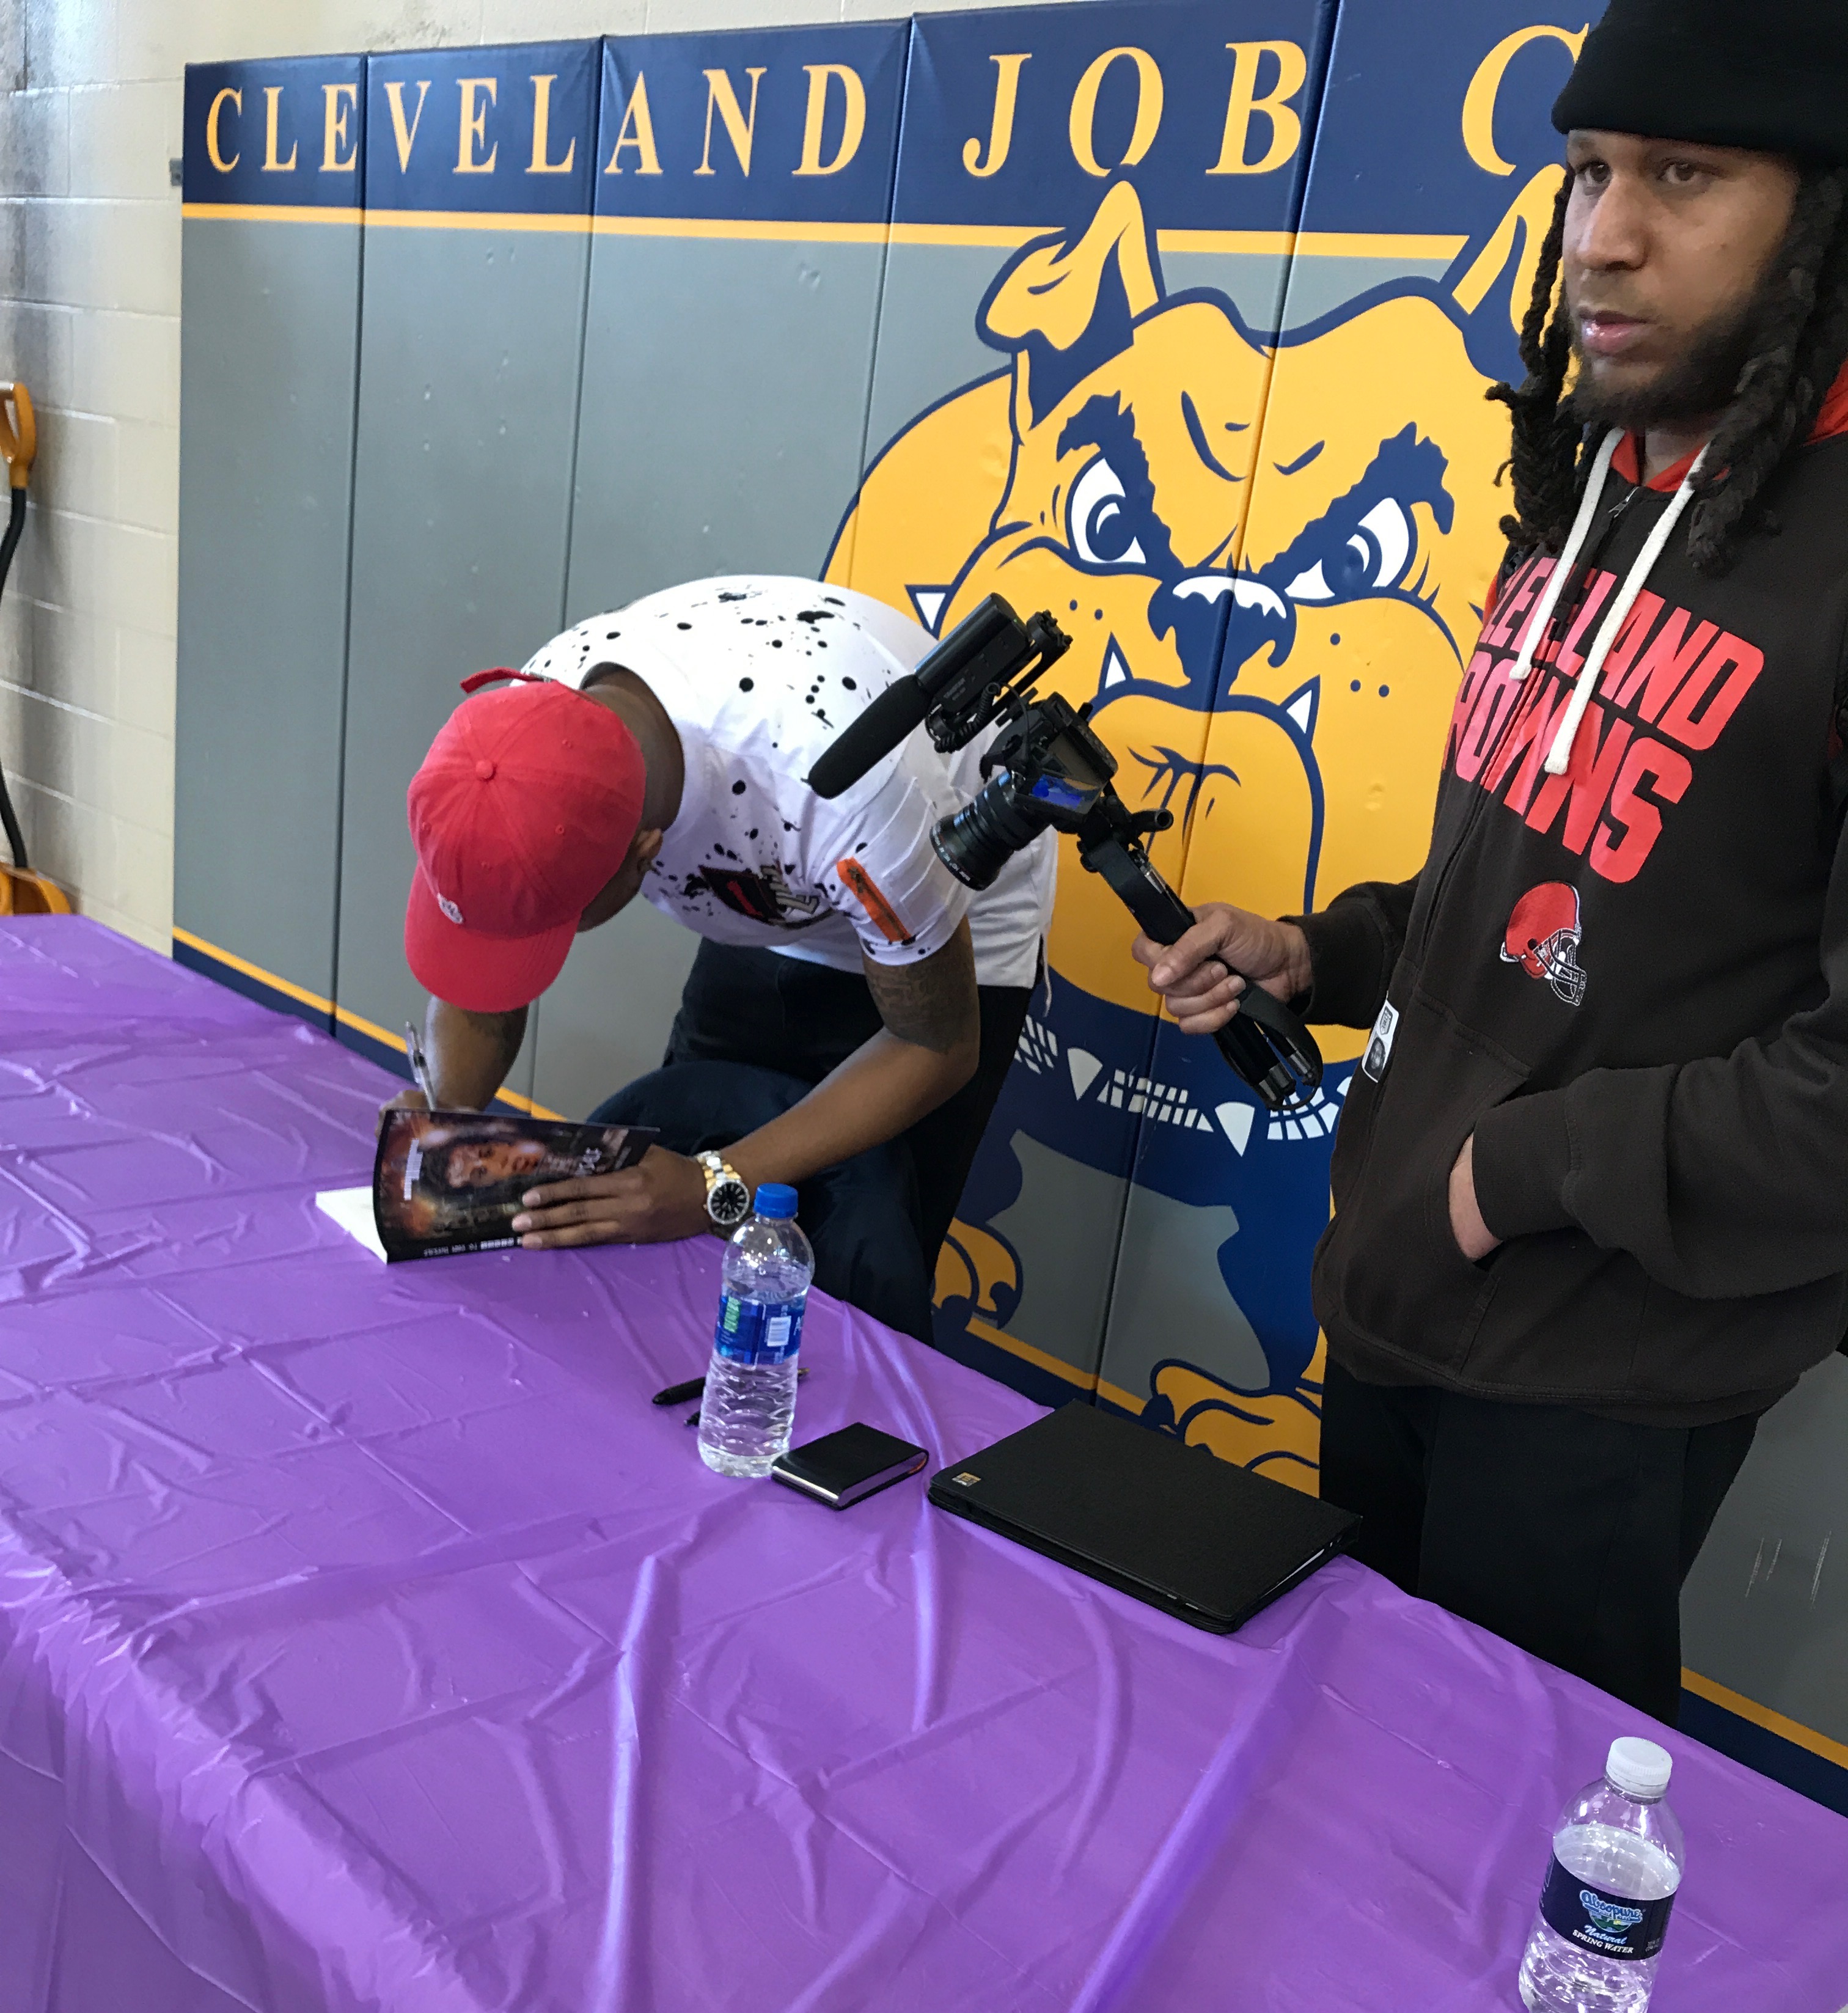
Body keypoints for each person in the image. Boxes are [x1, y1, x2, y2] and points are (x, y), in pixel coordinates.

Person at [1137, 0, 1848, 1721]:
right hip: (1401, 1289)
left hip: (1601, 1366)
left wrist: (1509, 1175)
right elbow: (1542, 891)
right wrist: (1329, 952)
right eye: (1590, 170)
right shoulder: (1599, 485)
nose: (1604, 236)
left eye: (1683, 176)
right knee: (1339, 1752)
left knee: (1494, 1803)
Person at [396, 575, 1054, 1342]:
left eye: (548, 922)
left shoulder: (844, 791)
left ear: (645, 856)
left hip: (930, 894)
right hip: (774, 865)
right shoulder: (526, 735)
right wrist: (443, 1124)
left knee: (867, 1246)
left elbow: (935, 1046)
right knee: (667, 1219)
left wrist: (715, 1182)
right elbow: (490, 946)